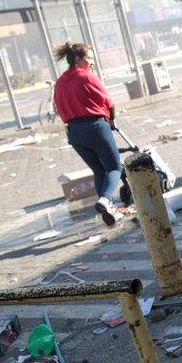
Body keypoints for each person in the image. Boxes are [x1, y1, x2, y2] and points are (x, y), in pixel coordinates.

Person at [52, 42, 121, 226]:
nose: (91, 62)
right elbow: (108, 102)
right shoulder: (86, 77)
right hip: (95, 127)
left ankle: (109, 209)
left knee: (98, 170)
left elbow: (60, 109)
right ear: (77, 59)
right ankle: (106, 199)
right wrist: (112, 120)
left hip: (74, 133)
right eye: (88, 58)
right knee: (114, 167)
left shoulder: (59, 83)